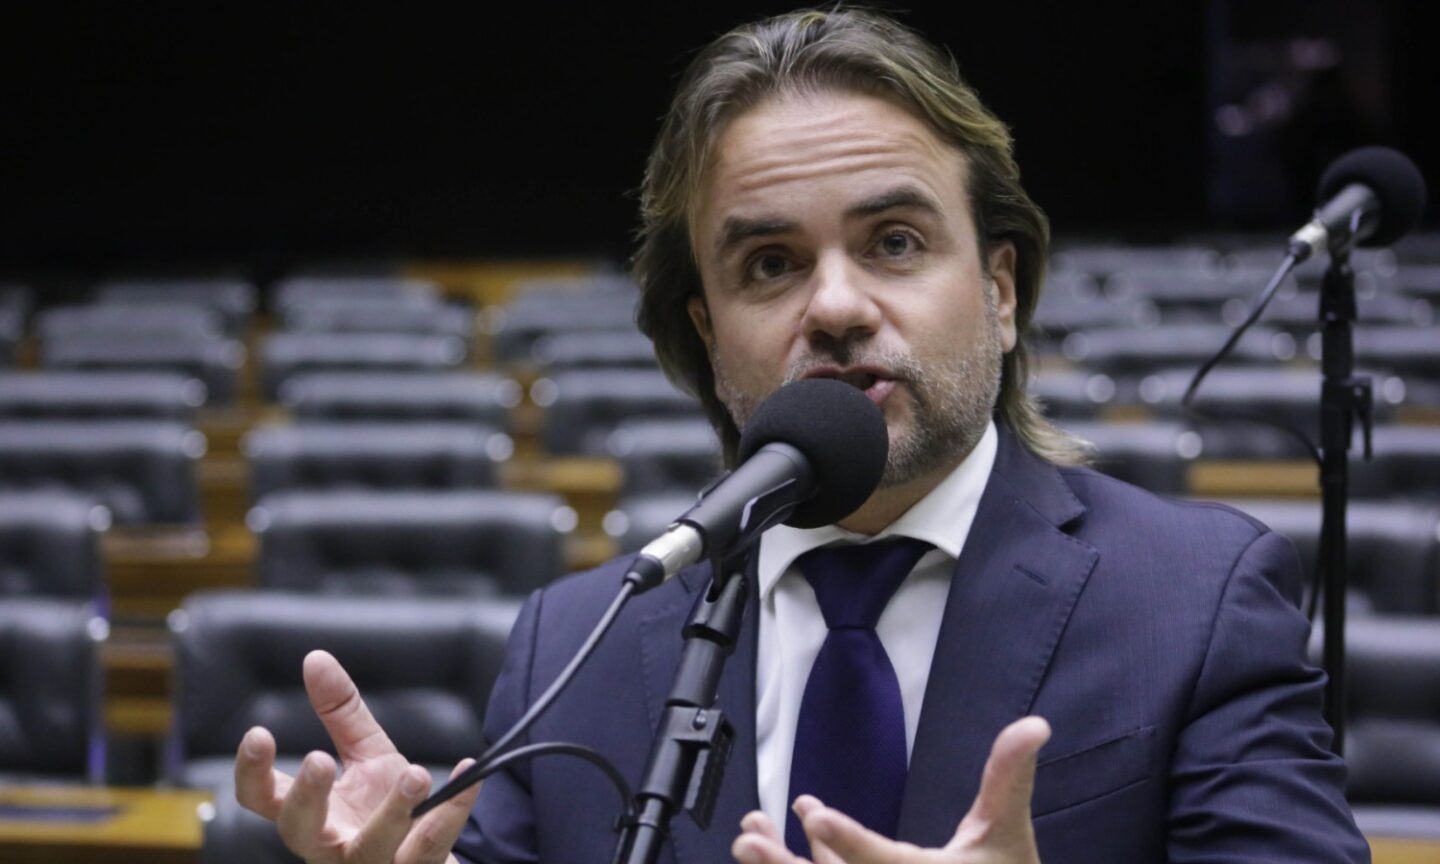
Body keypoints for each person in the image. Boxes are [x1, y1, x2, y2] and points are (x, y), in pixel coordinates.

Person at [233, 8, 1370, 863]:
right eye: (770, 264)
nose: (833, 307)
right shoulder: (574, 642)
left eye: (894, 242)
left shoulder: (1197, 602)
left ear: (1001, 290)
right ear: (708, 332)